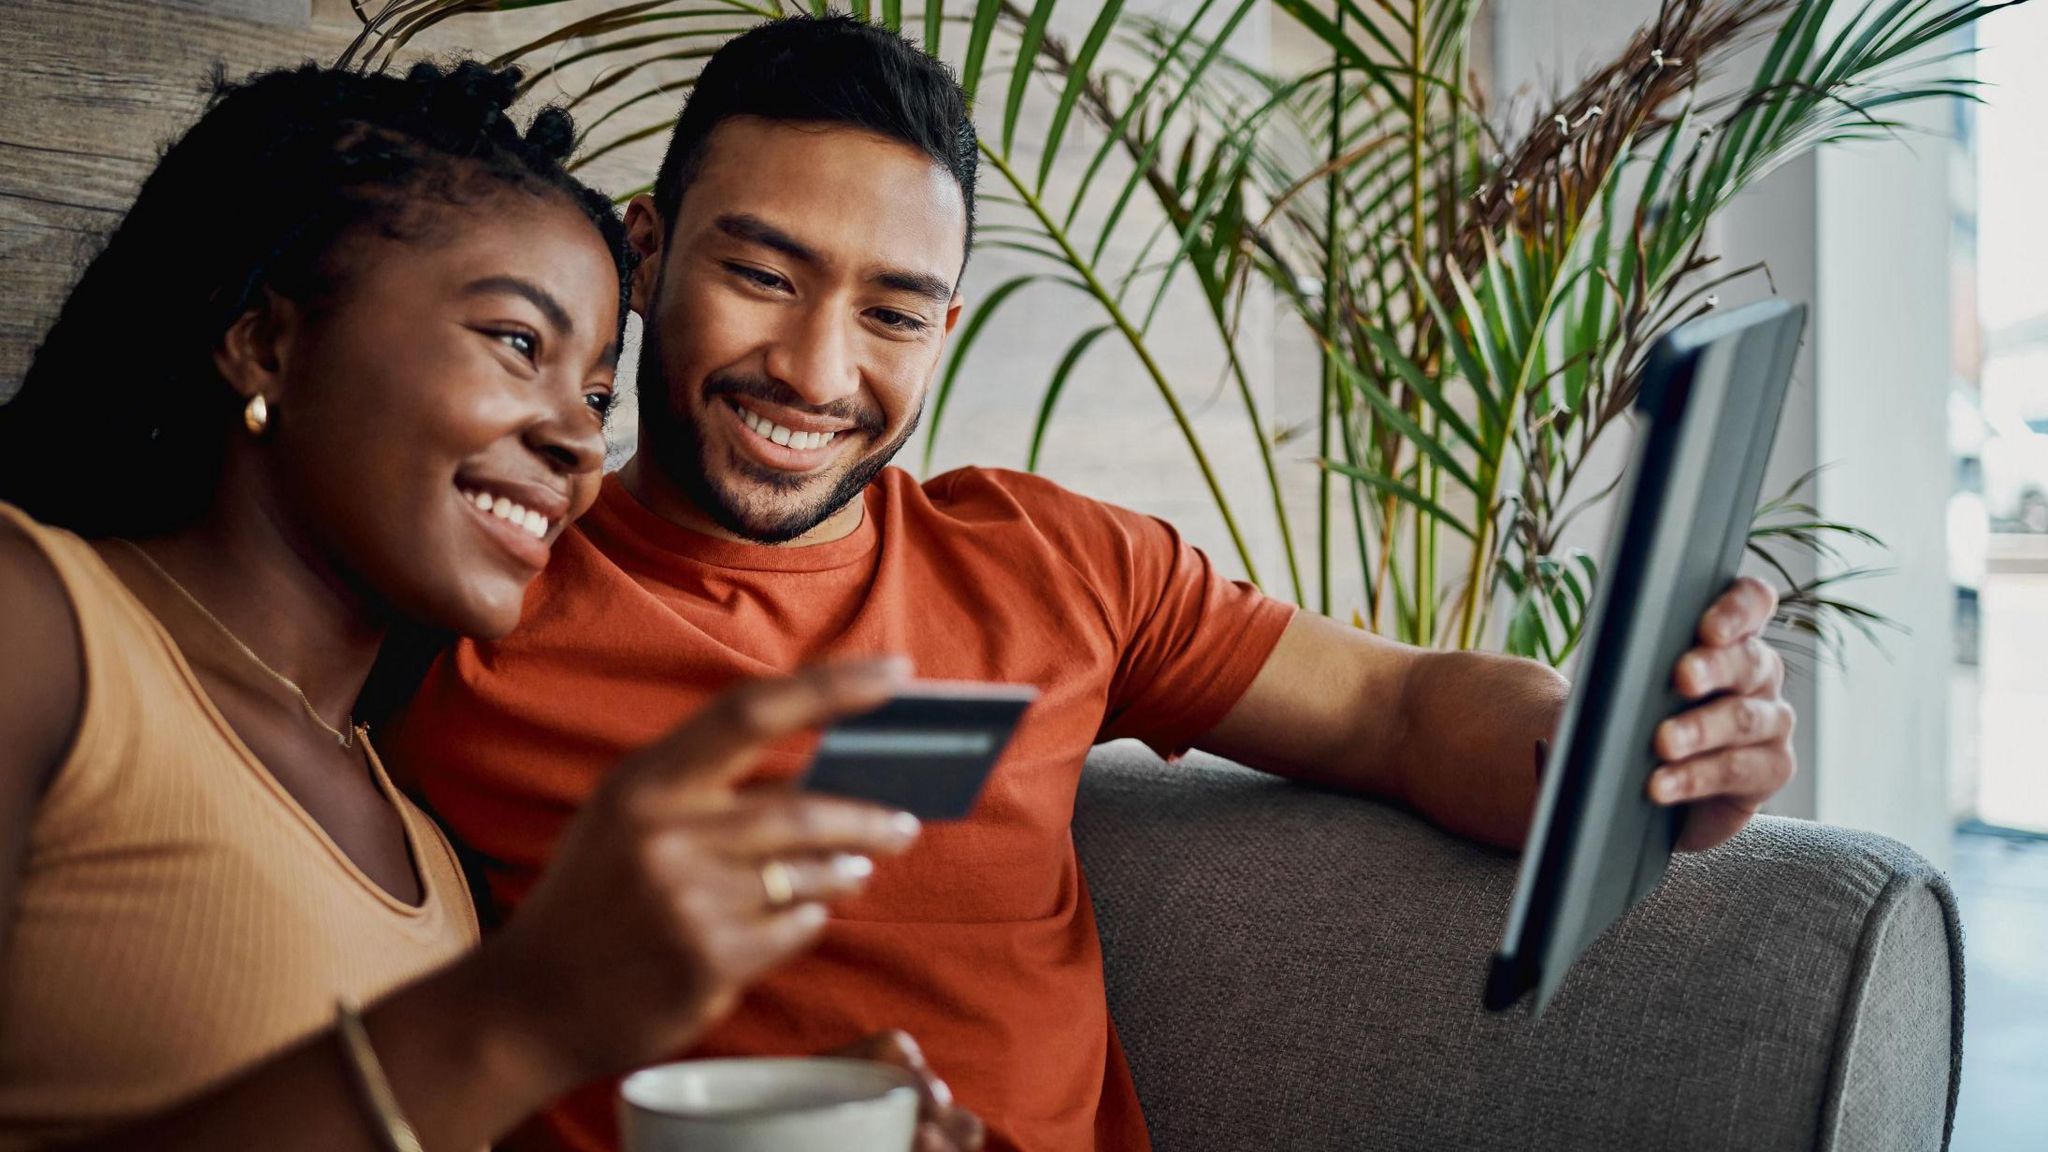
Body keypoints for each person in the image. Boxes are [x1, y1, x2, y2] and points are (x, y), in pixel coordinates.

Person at [382, 15, 1801, 1152]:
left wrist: (1643, 742)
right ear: (646, 251)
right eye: (761, 275)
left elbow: (1399, 708)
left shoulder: (1050, 566)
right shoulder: (469, 600)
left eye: (891, 312)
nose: (817, 372)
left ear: (944, 324)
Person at [0, 61, 980, 1151]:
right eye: (518, 343)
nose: (575, 439)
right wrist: (515, 1017)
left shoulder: (416, 837)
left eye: (596, 392)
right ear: (267, 341)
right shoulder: (35, 625)